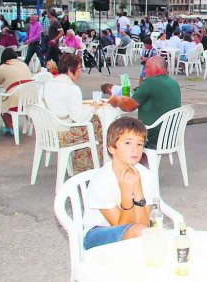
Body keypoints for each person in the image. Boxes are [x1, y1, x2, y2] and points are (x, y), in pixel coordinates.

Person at [82, 117, 156, 250]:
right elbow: (120, 228)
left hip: (134, 231)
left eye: (139, 144)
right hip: (98, 233)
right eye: (128, 143)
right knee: (140, 234)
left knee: (144, 234)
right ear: (112, 148)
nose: (135, 149)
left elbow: (144, 225)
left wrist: (138, 190)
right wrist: (126, 194)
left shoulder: (145, 175)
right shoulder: (102, 180)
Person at [43, 53, 103, 171]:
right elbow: (80, 118)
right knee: (96, 123)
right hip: (63, 134)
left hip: (47, 131)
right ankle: (86, 166)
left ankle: (84, 163)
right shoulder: (72, 89)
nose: (80, 71)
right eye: (79, 68)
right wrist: (93, 108)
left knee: (93, 123)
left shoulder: (47, 84)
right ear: (71, 70)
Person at [109, 56, 181, 149]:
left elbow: (129, 107)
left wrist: (116, 101)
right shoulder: (173, 83)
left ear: (155, 68)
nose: (144, 71)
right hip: (172, 135)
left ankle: (125, 162)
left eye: (146, 67)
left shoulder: (150, 83)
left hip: (153, 136)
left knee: (119, 135)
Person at [0, 48, 33, 134]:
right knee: (8, 100)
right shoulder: (24, 65)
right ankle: (12, 127)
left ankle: (10, 127)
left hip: (17, 99)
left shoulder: (2, 67)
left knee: (2, 105)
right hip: (30, 99)